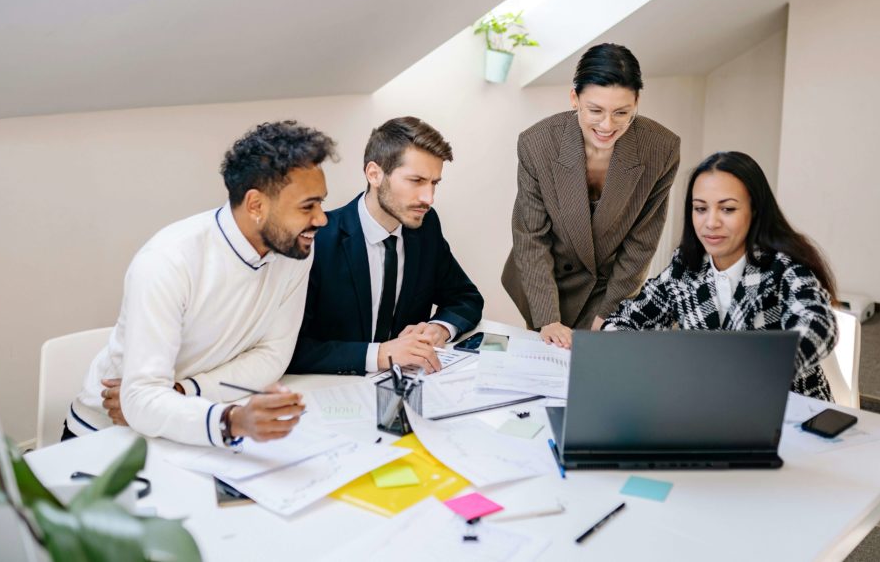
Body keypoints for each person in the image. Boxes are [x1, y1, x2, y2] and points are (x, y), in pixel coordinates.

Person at [66, 121, 336, 447]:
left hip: (192, 423)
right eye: (308, 206)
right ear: (256, 206)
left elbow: (273, 356)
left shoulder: (295, 249)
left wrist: (185, 391)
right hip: (106, 434)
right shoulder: (168, 261)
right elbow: (138, 398)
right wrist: (232, 421)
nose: (321, 219)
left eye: (321, 202)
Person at [602, 151, 839, 400]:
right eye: (700, 209)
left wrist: (765, 366)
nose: (711, 222)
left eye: (727, 209)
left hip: (790, 411)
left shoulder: (784, 266)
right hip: (711, 410)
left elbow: (818, 324)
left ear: (755, 211)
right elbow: (627, 319)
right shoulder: (685, 267)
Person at [501, 43, 680, 348]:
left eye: (621, 112)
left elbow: (642, 242)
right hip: (546, 282)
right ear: (575, 98)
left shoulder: (661, 149)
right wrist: (548, 318)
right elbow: (531, 237)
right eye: (595, 110)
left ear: (637, 101)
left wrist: (608, 315)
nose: (607, 125)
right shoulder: (537, 144)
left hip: (608, 286)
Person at [289, 116, 484, 375]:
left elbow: (465, 298)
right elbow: (292, 349)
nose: (429, 198)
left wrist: (439, 328)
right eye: (416, 181)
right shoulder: (318, 239)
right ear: (374, 174)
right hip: (334, 391)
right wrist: (379, 355)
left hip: (409, 387)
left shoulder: (426, 226)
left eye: (434, 183)